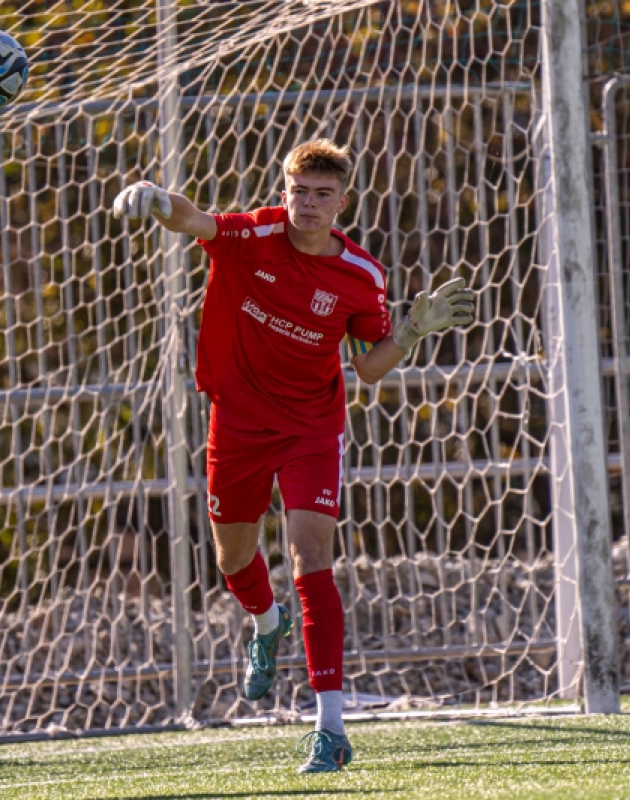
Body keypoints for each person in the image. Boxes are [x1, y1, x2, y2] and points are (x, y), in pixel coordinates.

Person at [112, 139, 474, 773]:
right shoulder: (252, 236)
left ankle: (329, 727)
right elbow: (194, 217)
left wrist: (410, 332)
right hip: (239, 422)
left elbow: (368, 369)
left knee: (311, 556)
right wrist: (154, 198)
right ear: (284, 190)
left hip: (311, 427)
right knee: (233, 559)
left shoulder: (361, 273)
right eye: (297, 191)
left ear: (342, 202)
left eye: (321, 195)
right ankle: (266, 622)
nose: (307, 204)